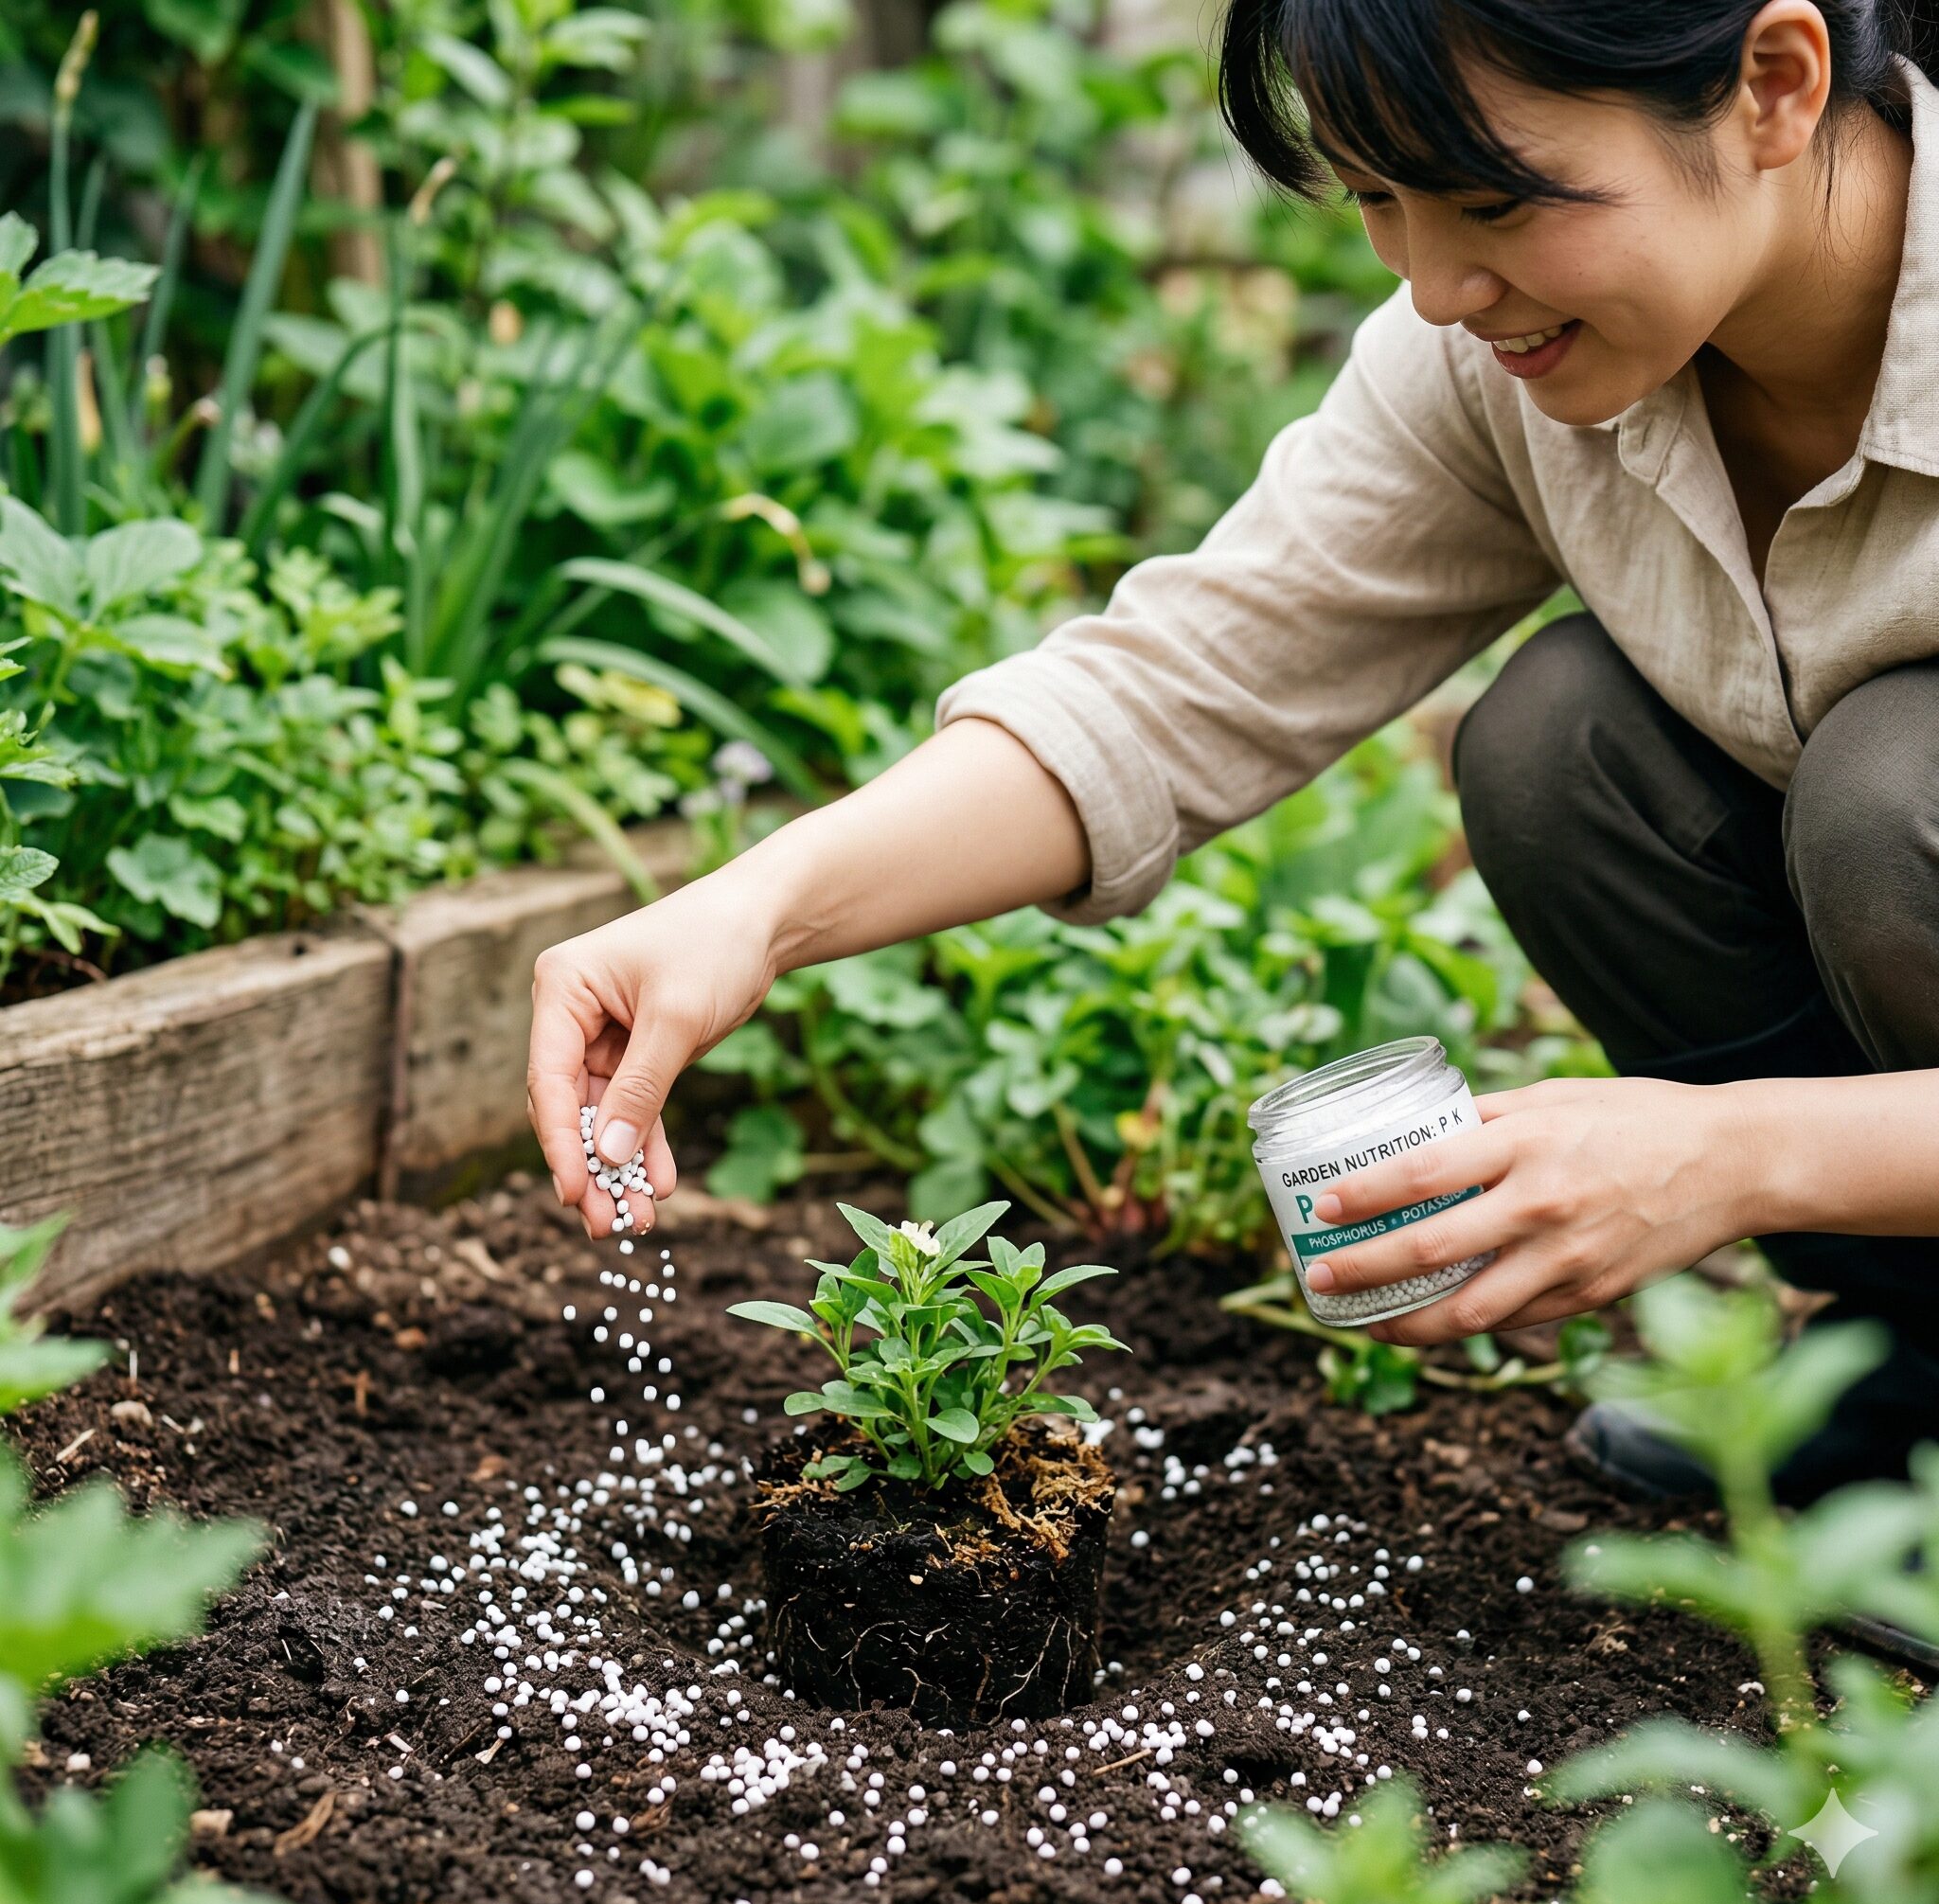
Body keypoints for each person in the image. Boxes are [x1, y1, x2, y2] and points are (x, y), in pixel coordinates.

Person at [528, 2, 1939, 1533]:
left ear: (1775, 88)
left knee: (1893, 790)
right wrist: (754, 910)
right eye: (1379, 201)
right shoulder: (1496, 354)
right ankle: (1917, 1376)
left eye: (1494, 200)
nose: (1440, 286)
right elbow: (1182, 687)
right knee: (1563, 749)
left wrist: (1739, 1156)